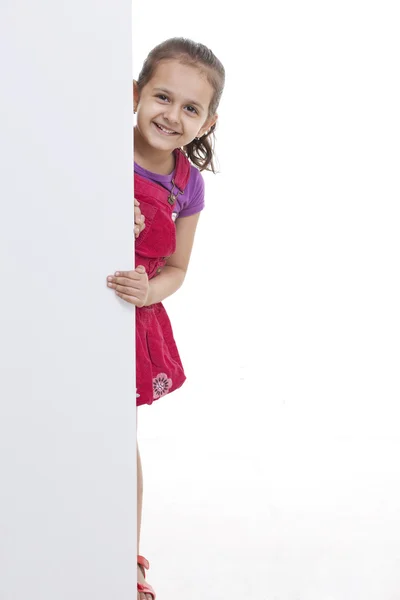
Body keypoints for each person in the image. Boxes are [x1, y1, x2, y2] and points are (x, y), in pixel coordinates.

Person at [106, 37, 225, 600]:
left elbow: (177, 267)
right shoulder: (99, 149)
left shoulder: (188, 184)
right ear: (134, 94)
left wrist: (148, 289)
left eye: (191, 108)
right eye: (162, 97)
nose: (172, 115)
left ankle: (123, 556)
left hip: (126, 315)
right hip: (64, 302)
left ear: (207, 122)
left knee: (113, 434)